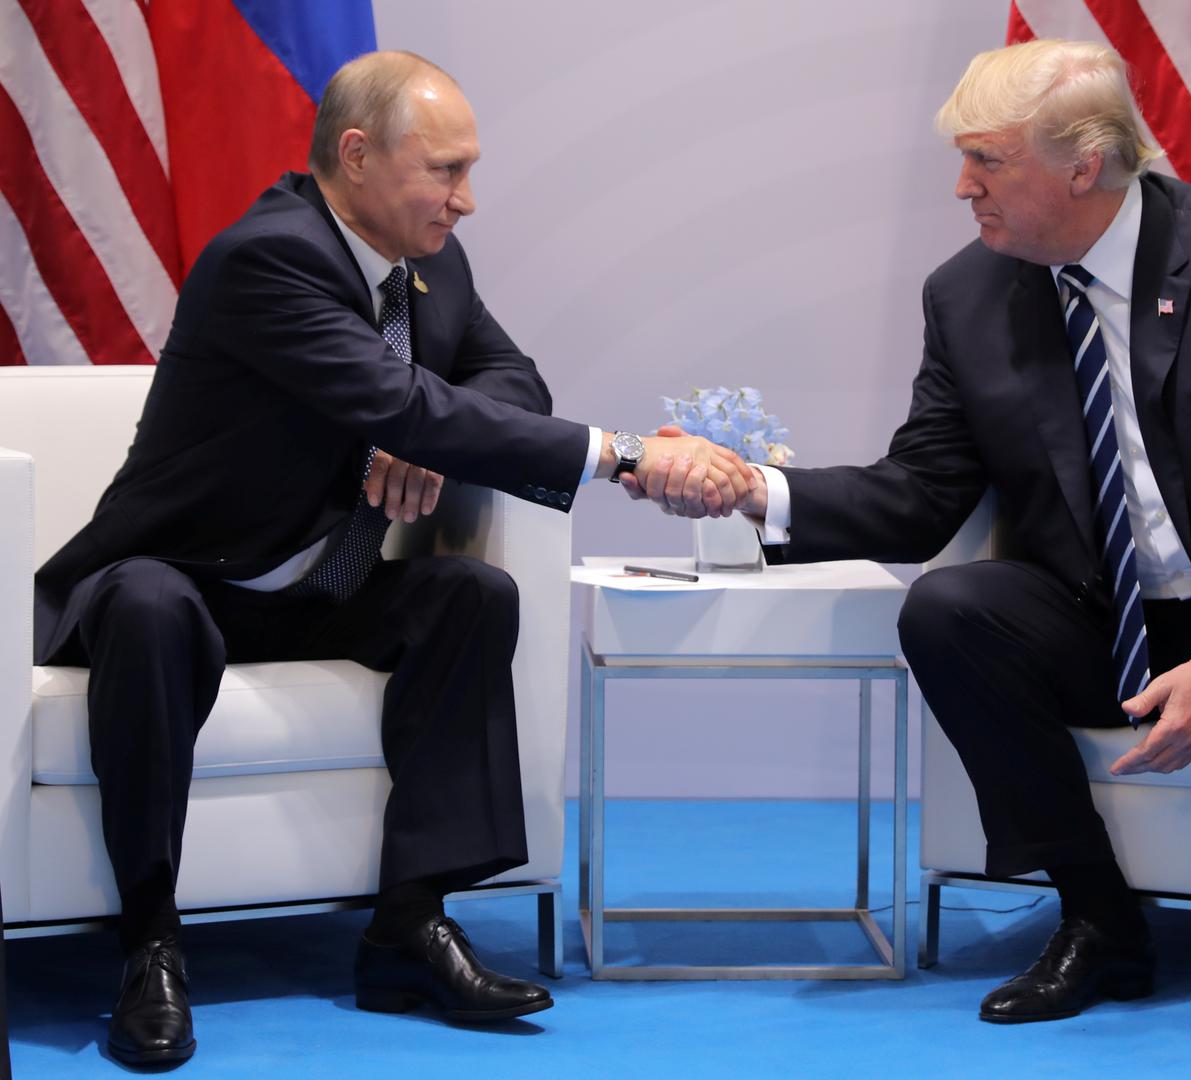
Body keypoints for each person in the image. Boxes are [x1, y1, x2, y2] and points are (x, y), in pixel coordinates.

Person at [633, 38, 1191, 1059]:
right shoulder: (968, 295)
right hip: (1109, 612)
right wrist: (754, 491)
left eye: (985, 160)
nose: (961, 187)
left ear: (1083, 164)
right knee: (949, 609)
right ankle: (1096, 917)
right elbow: (921, 494)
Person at [33, 50, 752, 1067]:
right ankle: (148, 942)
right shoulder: (268, 258)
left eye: (468, 170)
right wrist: (627, 454)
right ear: (357, 157)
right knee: (149, 608)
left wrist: (420, 436)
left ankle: (408, 924)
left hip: (314, 587)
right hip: (179, 577)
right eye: (445, 170)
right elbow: (404, 397)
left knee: (467, 595)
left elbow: (510, 379)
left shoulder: (427, 261)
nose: (467, 199)